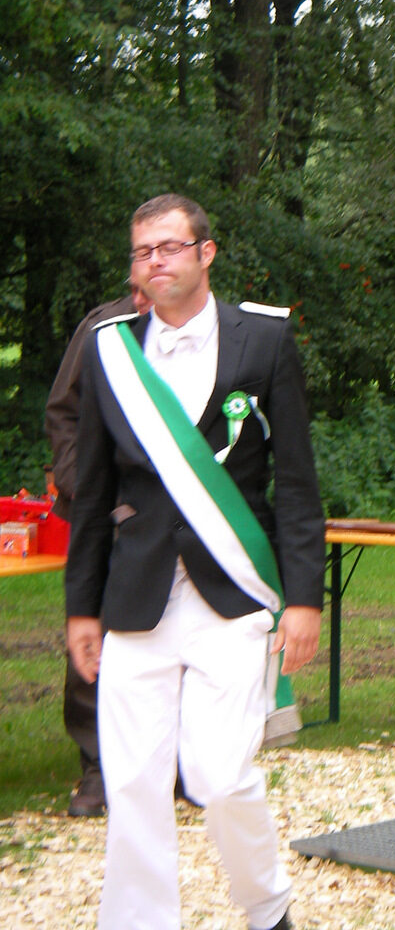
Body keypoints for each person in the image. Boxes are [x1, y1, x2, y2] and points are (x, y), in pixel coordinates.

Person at [65, 194, 325, 930]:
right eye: (143, 251)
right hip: (135, 594)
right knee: (133, 782)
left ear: (206, 253)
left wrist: (305, 598)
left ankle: (267, 906)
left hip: (231, 593)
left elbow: (297, 481)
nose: (156, 261)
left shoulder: (264, 340)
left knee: (220, 774)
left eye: (171, 246)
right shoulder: (109, 350)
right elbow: (93, 491)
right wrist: (81, 608)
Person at [45, 282, 151, 817]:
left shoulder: (213, 332)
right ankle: (97, 766)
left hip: (175, 515)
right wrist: (83, 484)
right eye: (143, 257)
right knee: (95, 633)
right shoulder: (101, 328)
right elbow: (62, 412)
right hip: (102, 512)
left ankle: (173, 763)